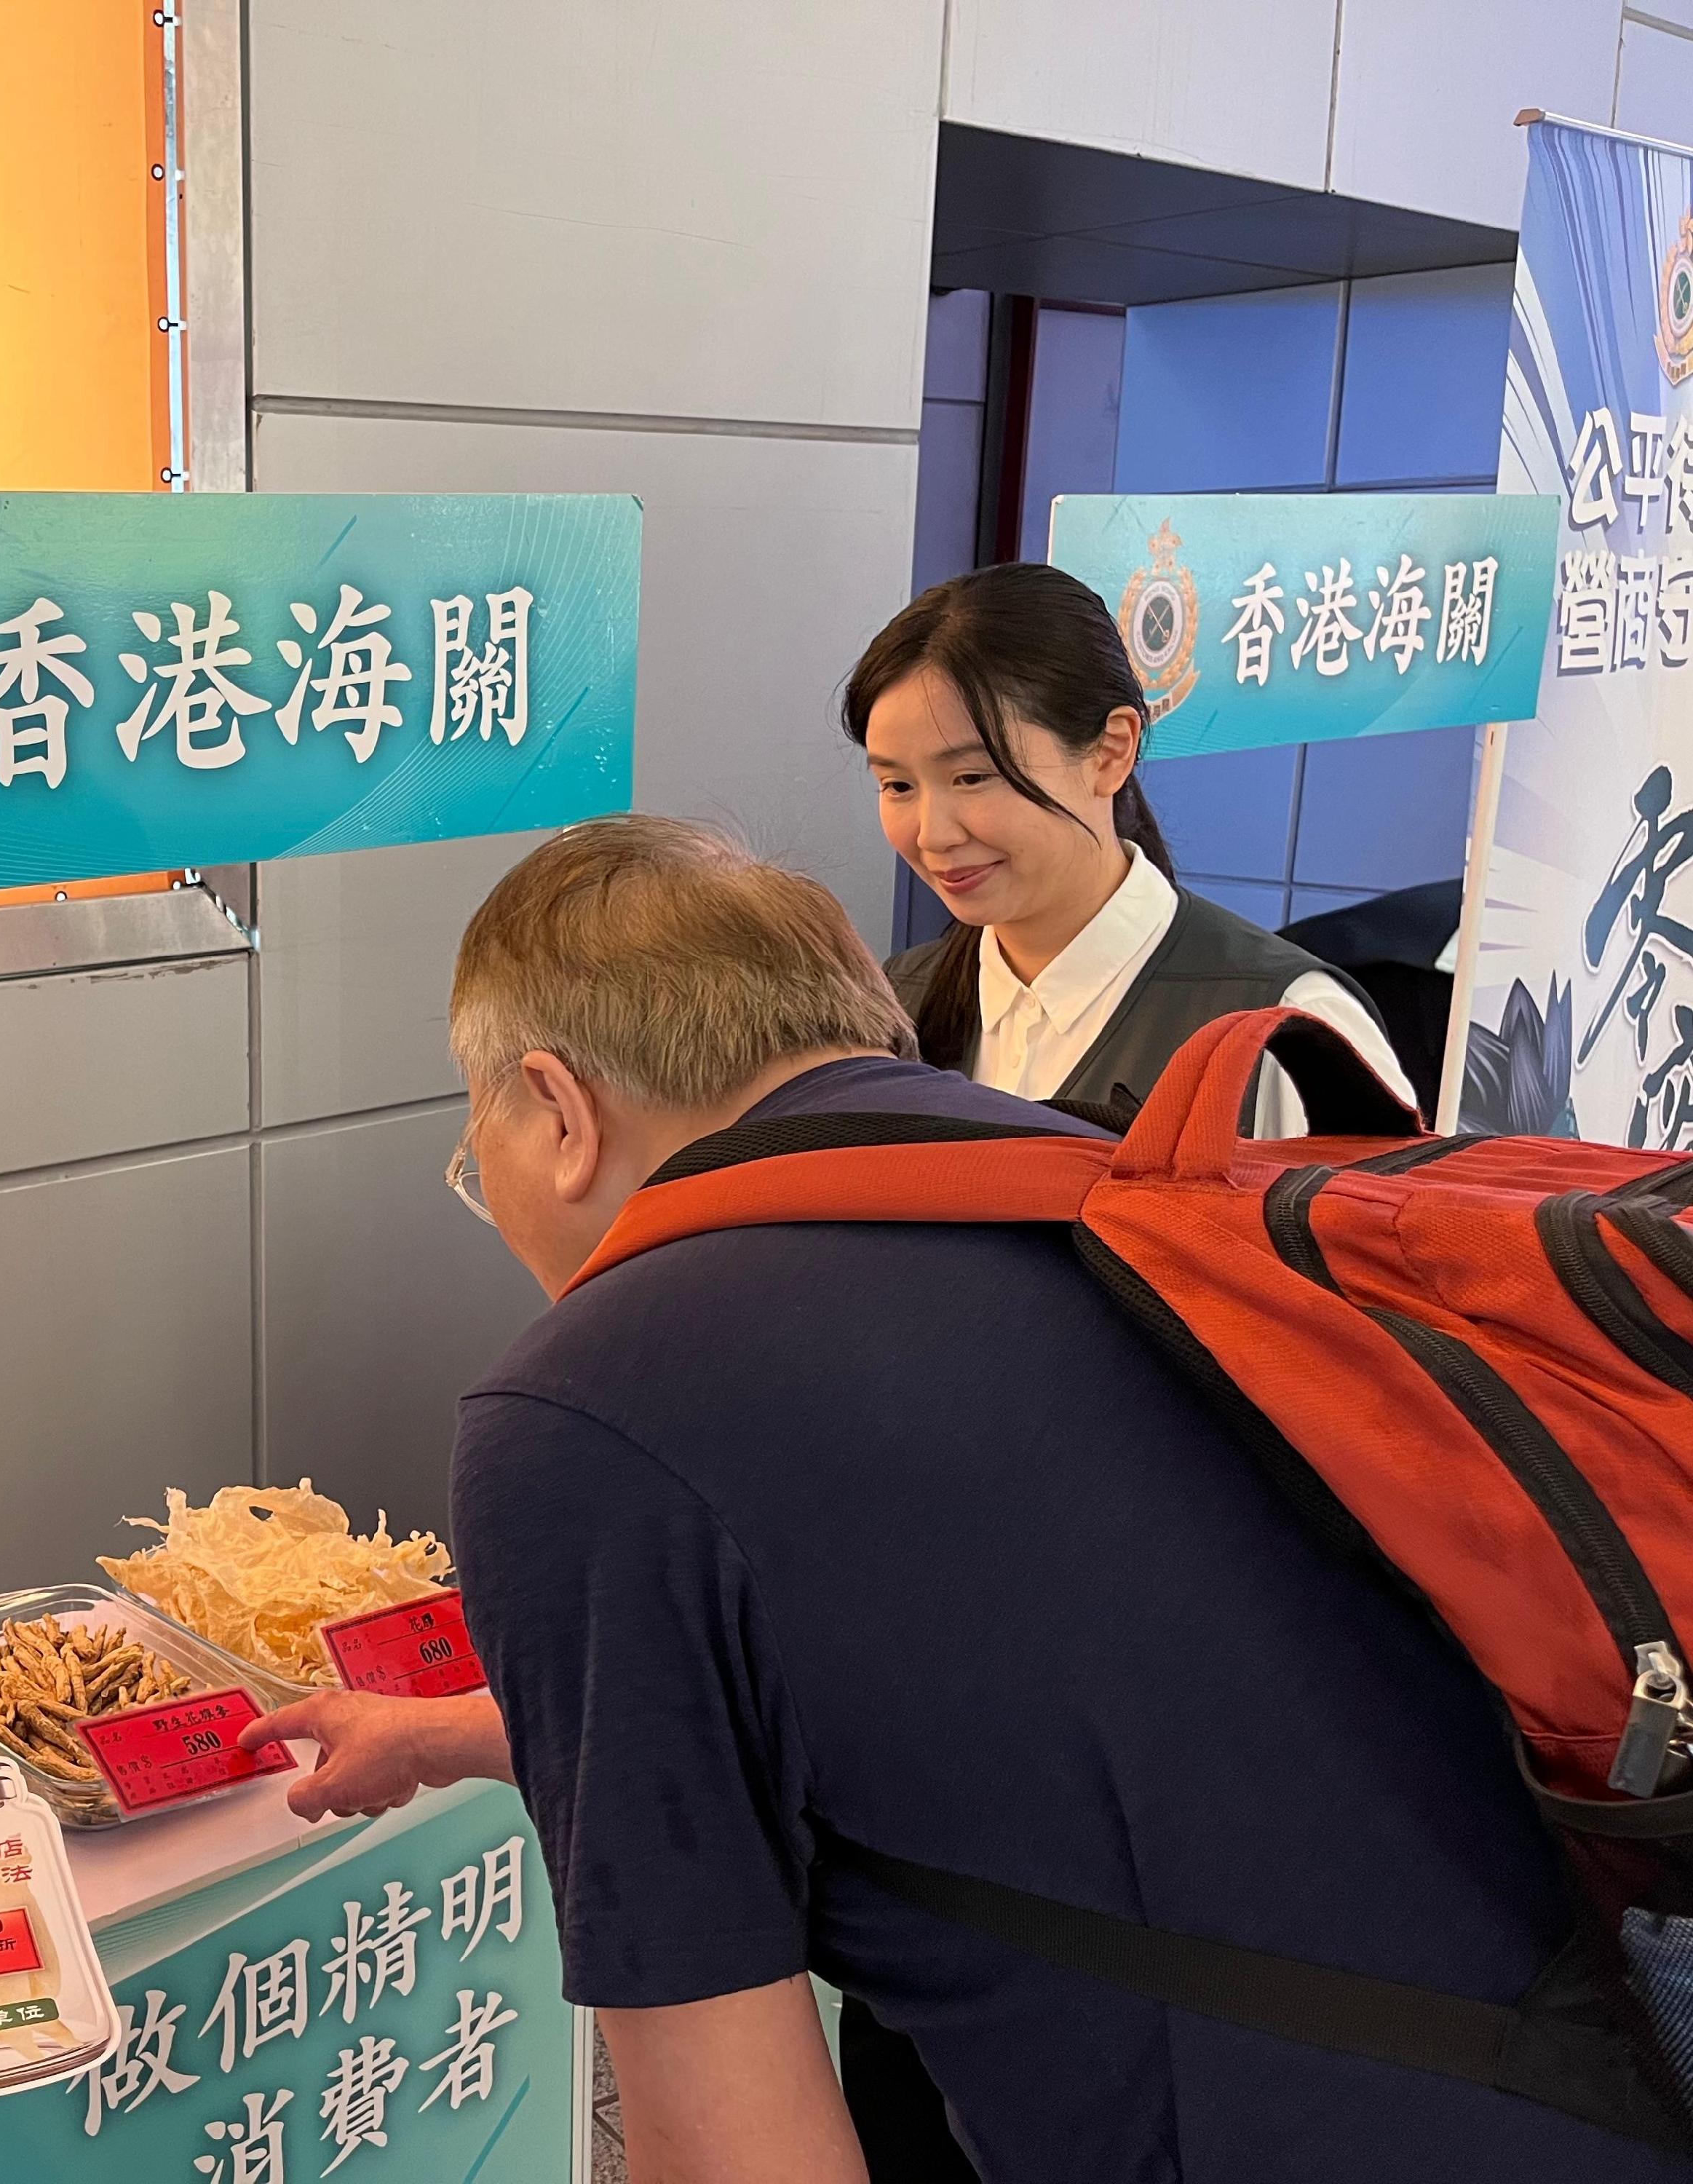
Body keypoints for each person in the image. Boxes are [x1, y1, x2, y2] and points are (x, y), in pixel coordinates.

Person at [253, 815, 1688, 2184]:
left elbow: (731, 2139)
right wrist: (475, 1732)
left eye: (474, 1152)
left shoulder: (586, 1406)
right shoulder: (1104, 1210)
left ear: (559, 1111)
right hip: (1590, 2070)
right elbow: (975, 1676)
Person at [850, 561, 1411, 1134]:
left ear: (1111, 751)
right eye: (898, 786)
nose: (932, 833)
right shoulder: (889, 1007)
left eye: (971, 778)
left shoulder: (1288, 1029)